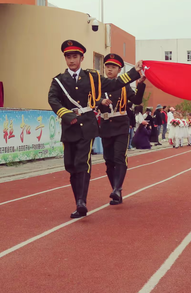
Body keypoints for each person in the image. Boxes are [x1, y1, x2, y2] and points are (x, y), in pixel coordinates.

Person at [48, 40, 143, 218]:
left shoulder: (92, 78)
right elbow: (53, 99)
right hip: (69, 127)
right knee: (71, 166)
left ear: (82, 58)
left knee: (82, 163)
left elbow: (114, 84)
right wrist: (66, 115)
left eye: (75, 56)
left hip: (87, 126)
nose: (71, 60)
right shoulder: (59, 81)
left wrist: (134, 72)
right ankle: (79, 199)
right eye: (68, 57)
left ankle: (81, 202)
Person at [98, 53, 146, 205]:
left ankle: (117, 189)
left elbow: (137, 100)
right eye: (107, 67)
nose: (110, 70)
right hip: (105, 125)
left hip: (121, 125)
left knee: (119, 157)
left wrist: (140, 84)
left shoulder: (124, 86)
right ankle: (115, 190)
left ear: (119, 70)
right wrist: (100, 101)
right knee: (109, 161)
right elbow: (90, 100)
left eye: (113, 67)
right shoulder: (99, 85)